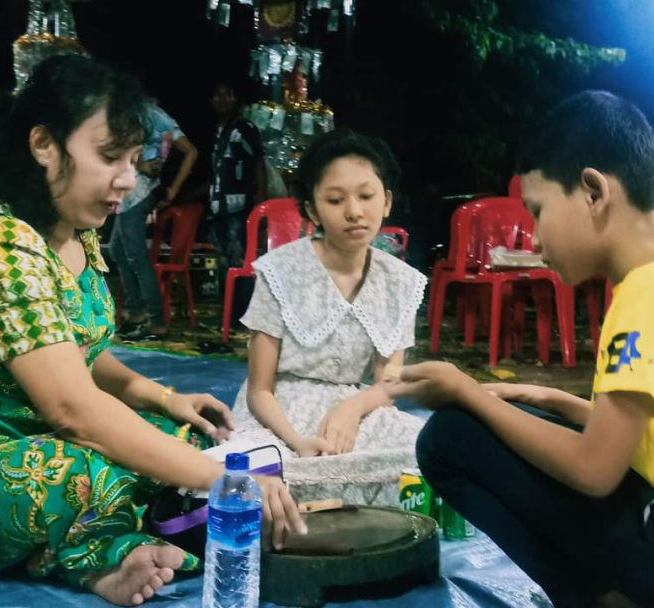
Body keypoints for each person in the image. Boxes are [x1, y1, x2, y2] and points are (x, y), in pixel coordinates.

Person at [0, 55, 304, 607]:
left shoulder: (73, 235)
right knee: (66, 467)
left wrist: (164, 396)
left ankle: (85, 539)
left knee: (179, 438)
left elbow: (82, 354)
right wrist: (229, 486)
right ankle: (96, 559)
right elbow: (72, 410)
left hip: (16, 437)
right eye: (110, 156)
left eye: (133, 159)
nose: (128, 179)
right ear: (44, 145)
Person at [393, 91, 654, 608]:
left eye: (538, 211)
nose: (534, 237)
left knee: (449, 438)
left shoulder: (647, 295)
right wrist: (556, 402)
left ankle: (596, 598)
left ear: (594, 192)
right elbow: (652, 430)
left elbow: (596, 472)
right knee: (521, 414)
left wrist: (467, 391)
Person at [230, 129, 428, 506]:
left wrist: (351, 409)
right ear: (311, 210)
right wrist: (297, 441)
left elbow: (389, 382)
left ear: (386, 201)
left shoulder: (401, 282)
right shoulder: (279, 272)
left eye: (366, 196)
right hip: (277, 416)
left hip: (359, 412)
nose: (354, 211)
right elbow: (259, 390)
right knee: (249, 473)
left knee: (424, 454)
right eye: (336, 200)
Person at [108, 100, 197, 341]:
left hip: (137, 192)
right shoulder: (155, 116)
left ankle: (156, 322)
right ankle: (135, 313)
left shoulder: (143, 114)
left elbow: (189, 151)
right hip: (132, 194)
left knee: (137, 258)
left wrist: (172, 187)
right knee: (117, 249)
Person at [207, 81, 265, 268]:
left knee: (240, 262)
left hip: (238, 209)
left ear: (235, 99)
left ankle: (242, 297)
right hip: (218, 208)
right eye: (218, 95)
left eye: (228, 94)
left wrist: (261, 201)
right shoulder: (216, 131)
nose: (222, 99)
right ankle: (228, 298)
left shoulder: (244, 128)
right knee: (223, 263)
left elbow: (258, 161)